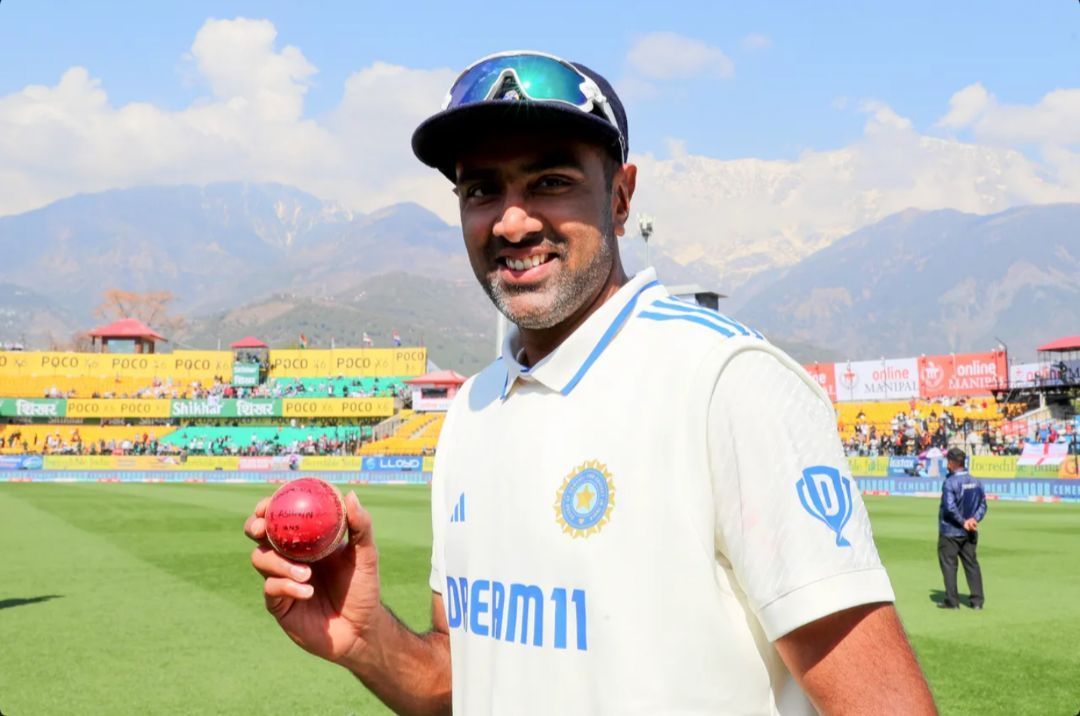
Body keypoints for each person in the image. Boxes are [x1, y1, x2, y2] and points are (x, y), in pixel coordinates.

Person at [244, 50, 935, 714]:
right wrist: (366, 641)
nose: (512, 221)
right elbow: (464, 682)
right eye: (482, 189)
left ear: (622, 198)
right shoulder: (474, 409)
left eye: (550, 181)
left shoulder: (726, 383)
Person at [937, 447, 987, 610]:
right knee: (972, 564)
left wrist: (963, 521)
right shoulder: (976, 481)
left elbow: (950, 507)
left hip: (951, 531)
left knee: (949, 566)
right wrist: (974, 519)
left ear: (951, 463)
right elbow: (983, 505)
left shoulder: (950, 482)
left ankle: (952, 601)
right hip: (970, 531)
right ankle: (977, 601)